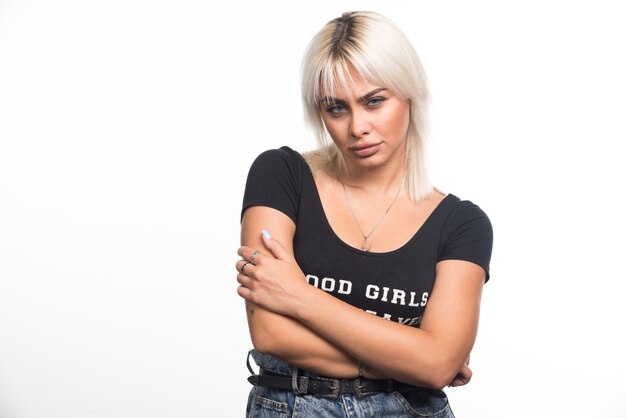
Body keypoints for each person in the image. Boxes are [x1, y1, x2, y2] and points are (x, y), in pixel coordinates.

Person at [235, 11, 493, 418]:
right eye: (336, 108)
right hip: (293, 404)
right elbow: (271, 332)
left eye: (374, 101)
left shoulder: (462, 224)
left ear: (409, 93)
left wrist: (299, 296)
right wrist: (410, 360)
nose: (358, 126)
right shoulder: (282, 175)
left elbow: (439, 364)